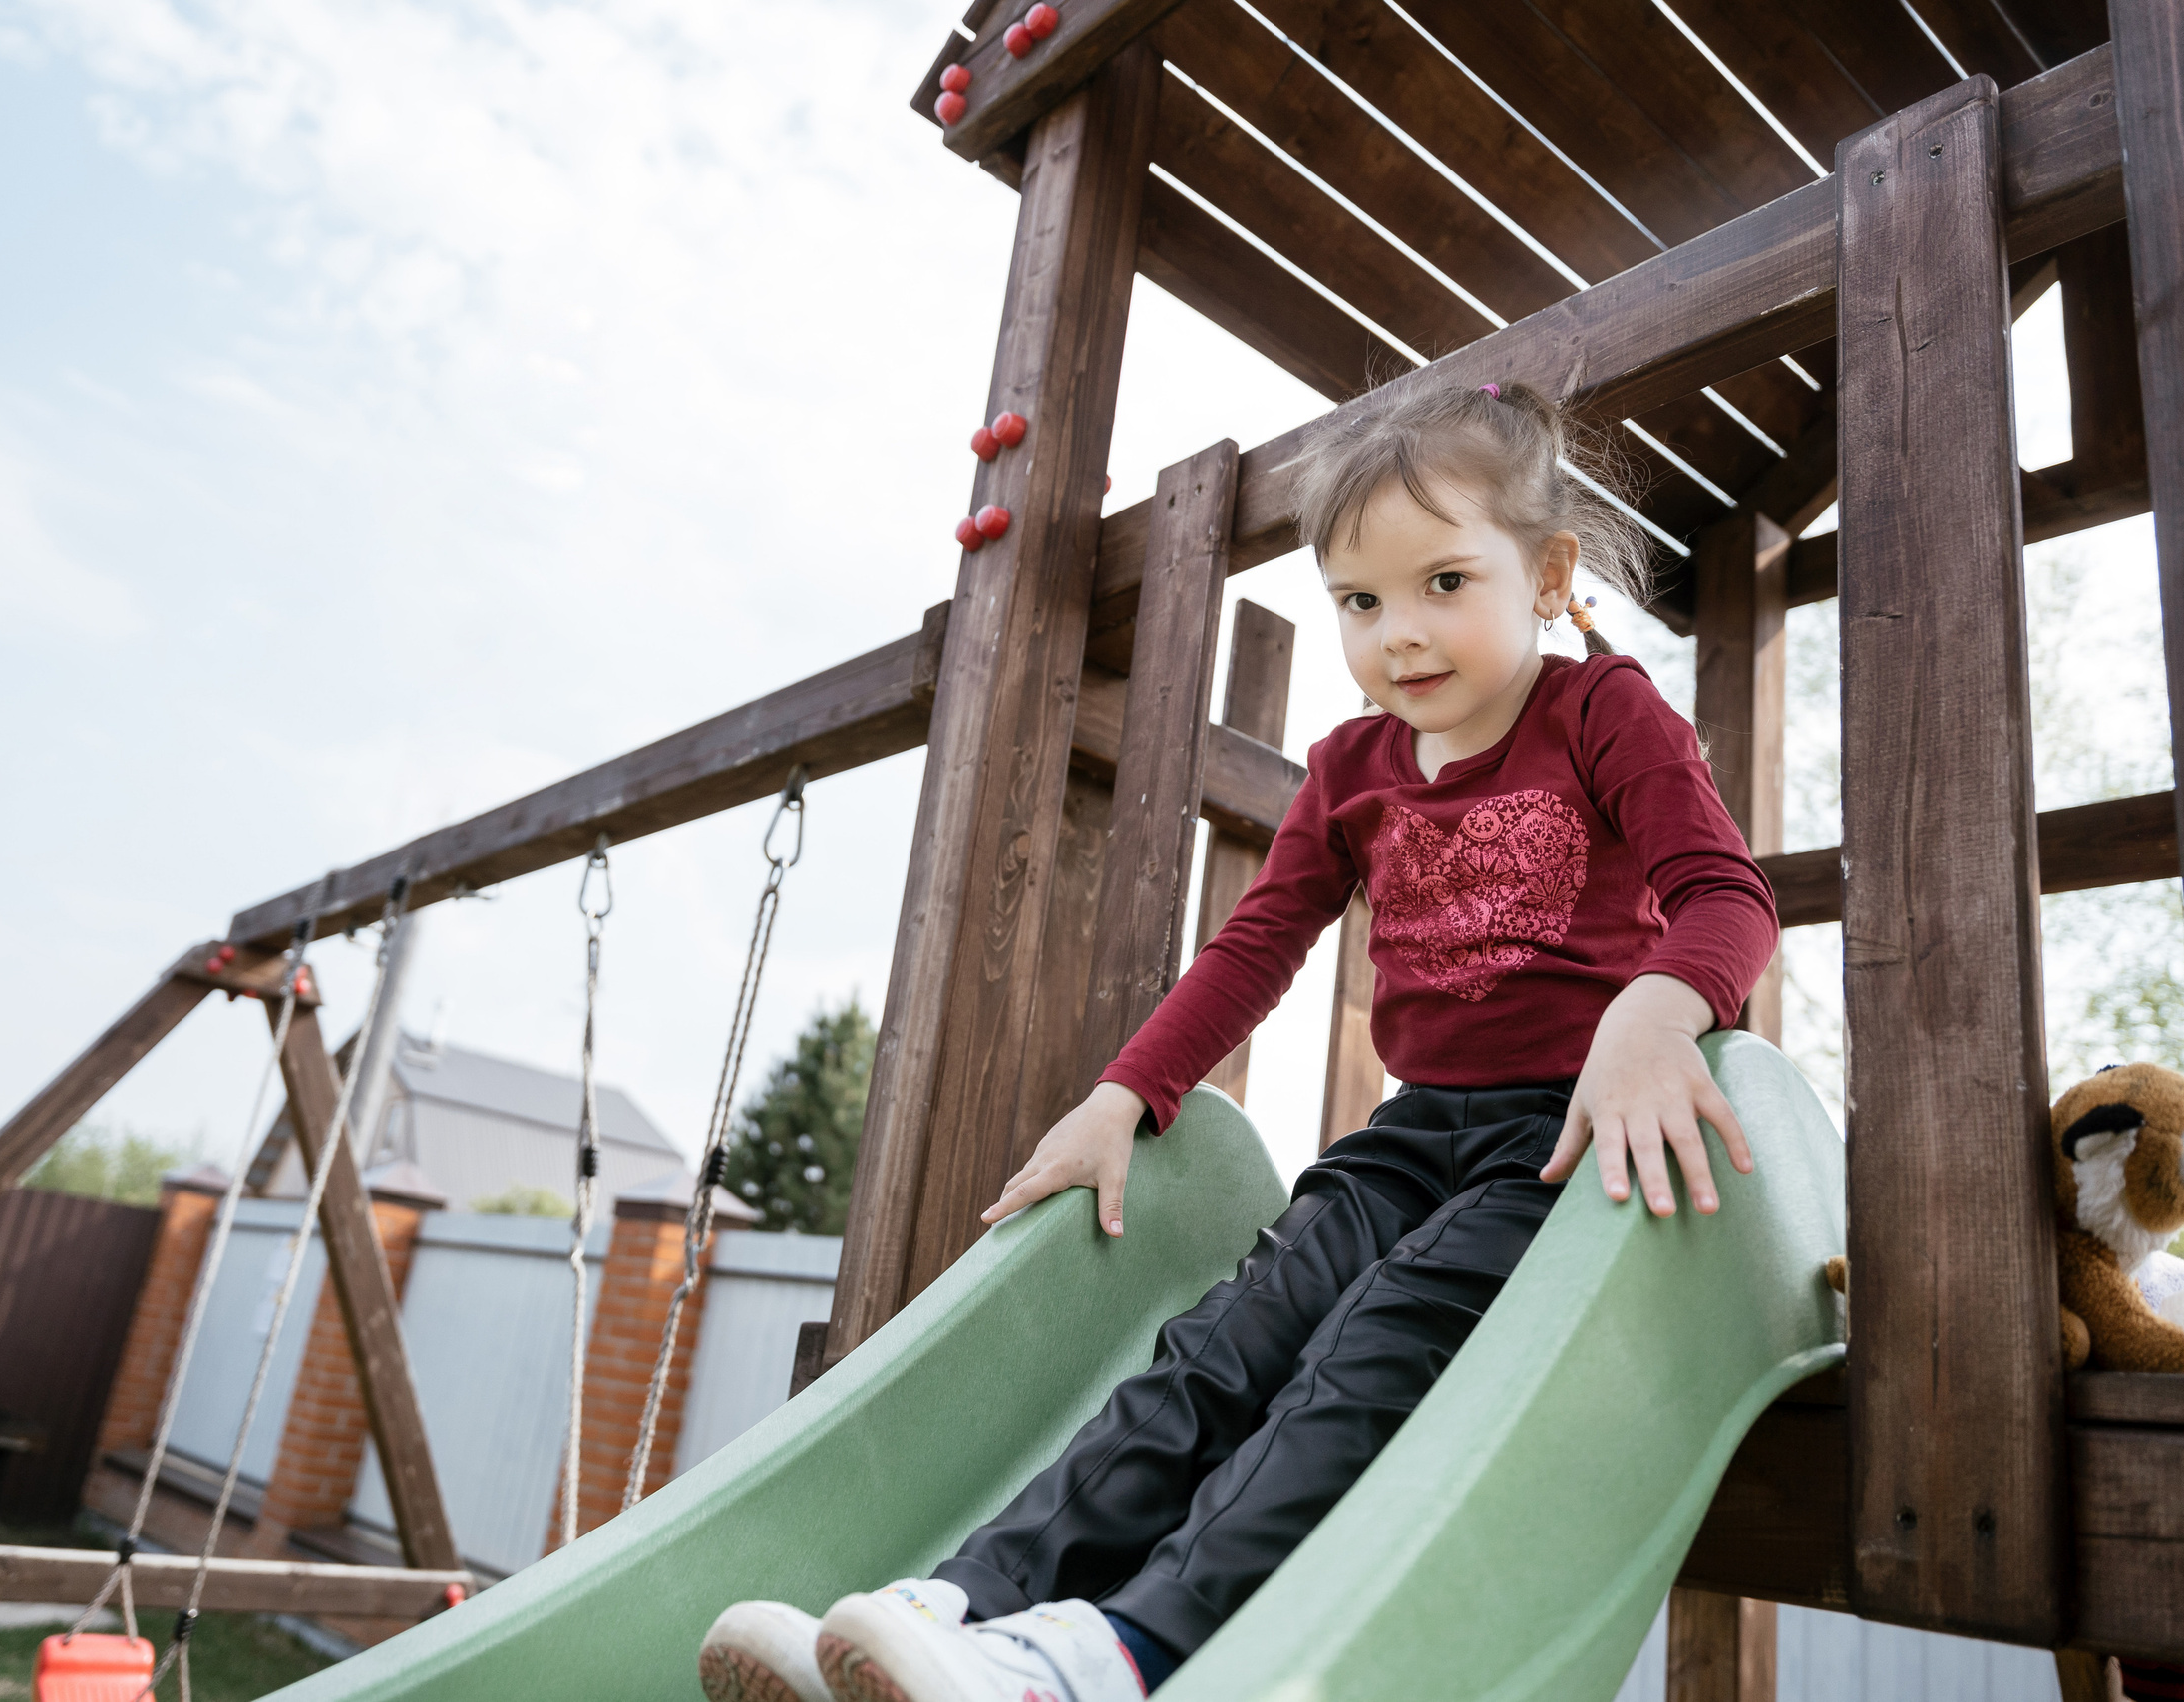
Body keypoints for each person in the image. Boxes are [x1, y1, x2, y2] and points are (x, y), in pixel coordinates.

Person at [696, 379, 1780, 1702]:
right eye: (1361, 602)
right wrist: (1122, 1094)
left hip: (1555, 1152)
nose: (1401, 634)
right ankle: (962, 1606)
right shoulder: (1351, 766)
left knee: (1366, 1353)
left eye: (1444, 582)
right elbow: (1253, 947)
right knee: (1219, 1347)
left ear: (1548, 574)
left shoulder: (1602, 712)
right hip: (1410, 1137)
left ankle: (1120, 1649)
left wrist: (1656, 1013)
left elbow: (1727, 897)